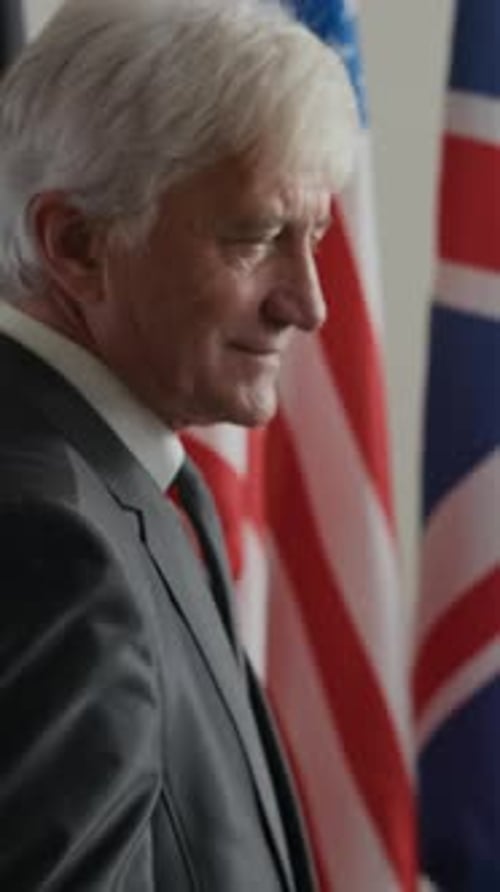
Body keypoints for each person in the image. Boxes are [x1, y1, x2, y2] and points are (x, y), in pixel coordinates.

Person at [0, 0, 357, 889]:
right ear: (77, 244)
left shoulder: (127, 483)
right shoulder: (49, 536)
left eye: (312, 236)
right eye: (256, 238)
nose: (307, 303)